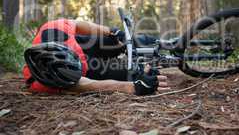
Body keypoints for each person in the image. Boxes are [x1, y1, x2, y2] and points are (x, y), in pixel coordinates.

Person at [23, 19, 170, 96]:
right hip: (85, 74)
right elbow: (91, 86)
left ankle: (164, 44)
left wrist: (112, 31)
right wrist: (134, 87)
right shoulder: (42, 84)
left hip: (81, 45)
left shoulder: (54, 29)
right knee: (131, 74)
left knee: (116, 41)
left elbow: (79, 24)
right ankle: (150, 67)